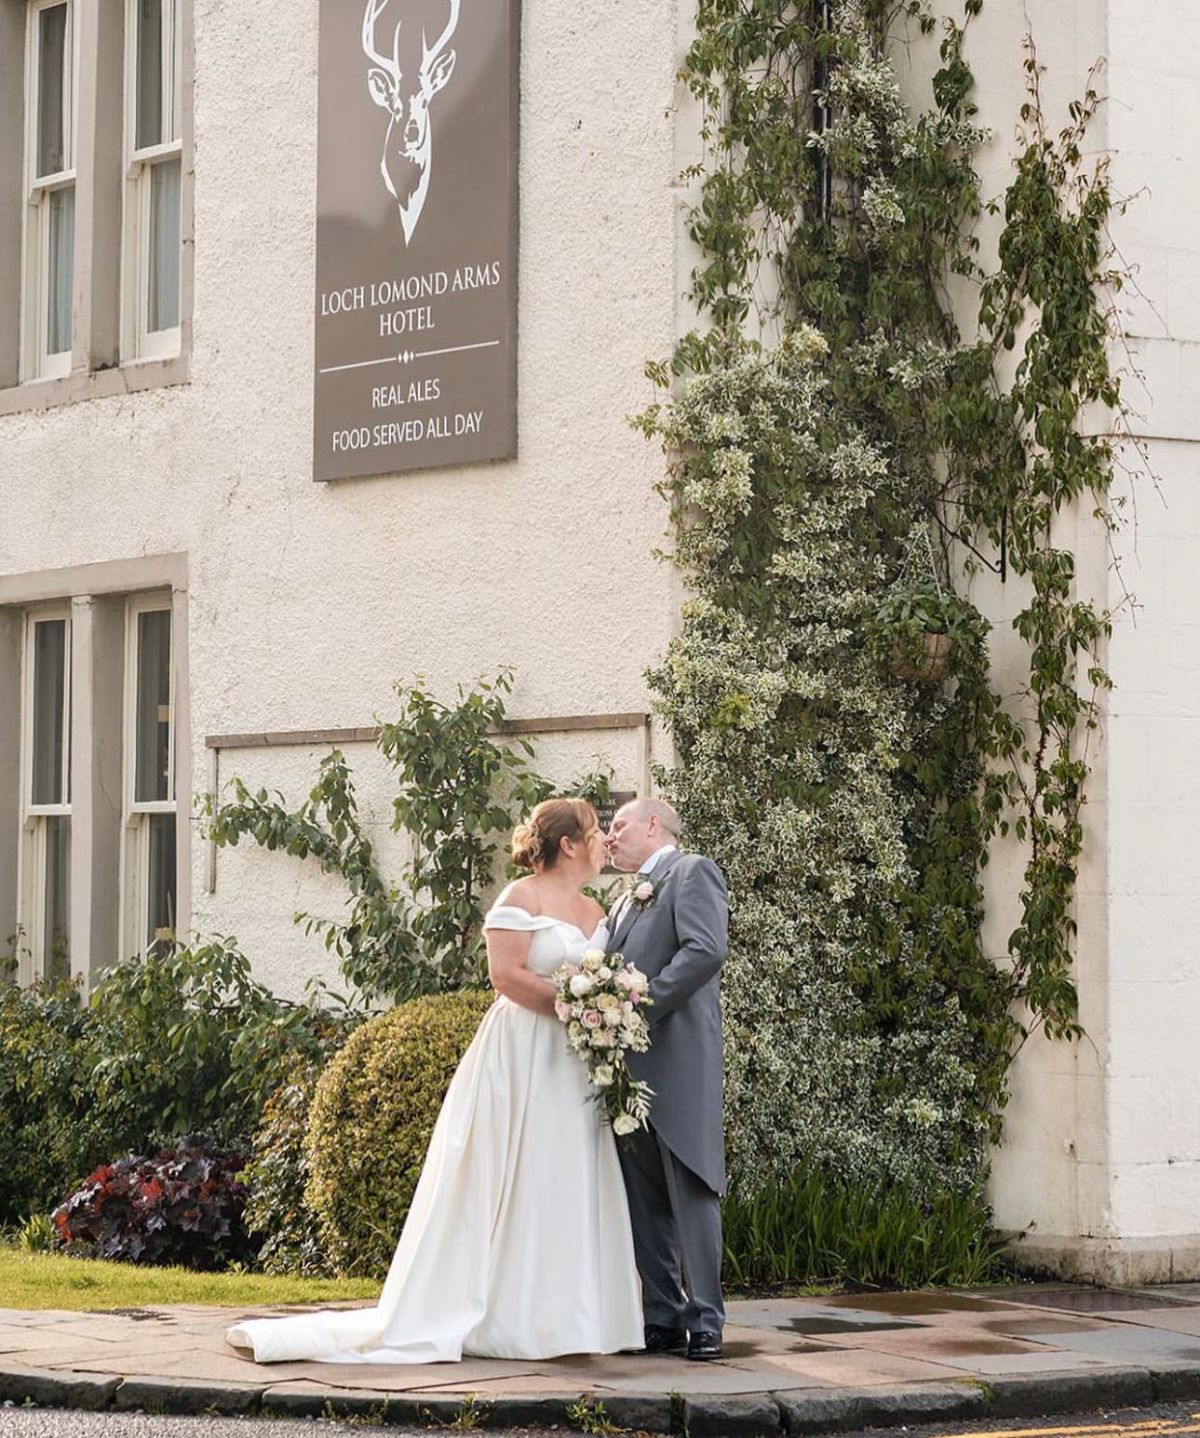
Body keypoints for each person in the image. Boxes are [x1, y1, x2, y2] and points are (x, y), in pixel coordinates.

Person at [225, 797, 642, 1365]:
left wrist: (604, 1009)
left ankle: (570, 1318)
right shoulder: (520, 897)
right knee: (514, 1167)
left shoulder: (597, 910)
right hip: (523, 1051)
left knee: (567, 1173)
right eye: (594, 832)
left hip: (575, 1061)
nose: (602, 843)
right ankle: (499, 1316)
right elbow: (505, 977)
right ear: (568, 845)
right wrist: (576, 1004)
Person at [605, 797, 729, 1361]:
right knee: (645, 1196)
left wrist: (640, 1006)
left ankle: (706, 1321)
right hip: (626, 1073)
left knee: (692, 1187)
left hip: (678, 1061)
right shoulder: (622, 900)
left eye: (618, 825)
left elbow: (705, 951)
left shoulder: (691, 872)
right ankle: (663, 1316)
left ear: (653, 824)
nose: (610, 837)